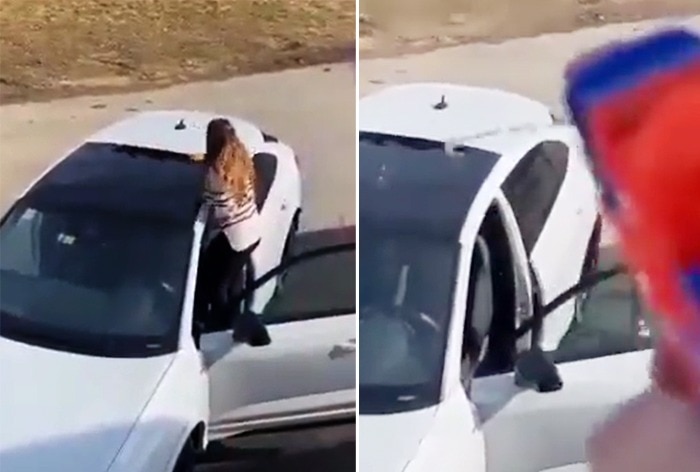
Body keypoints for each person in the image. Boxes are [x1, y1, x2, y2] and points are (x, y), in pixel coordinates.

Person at [195, 118, 262, 323]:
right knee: (229, 271)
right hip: (252, 228)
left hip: (236, 237)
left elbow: (212, 205)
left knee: (215, 284)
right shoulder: (240, 157)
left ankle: (224, 323)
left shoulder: (215, 175)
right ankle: (235, 301)